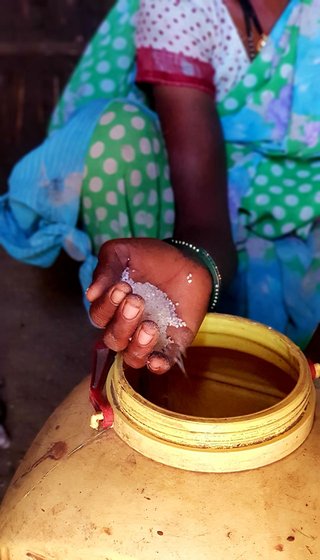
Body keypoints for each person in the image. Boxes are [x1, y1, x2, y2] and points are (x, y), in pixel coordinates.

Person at [0, 0, 320, 374]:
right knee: (115, 139)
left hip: (310, 213)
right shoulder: (182, 6)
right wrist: (197, 265)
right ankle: (140, 368)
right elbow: (205, 220)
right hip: (213, 206)